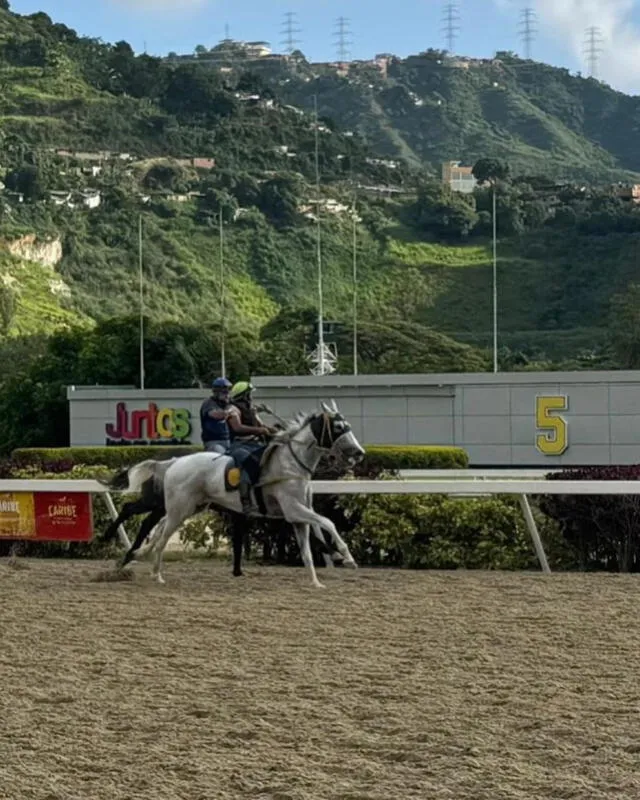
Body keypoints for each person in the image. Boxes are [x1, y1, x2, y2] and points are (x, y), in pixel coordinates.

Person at [227, 380, 276, 517]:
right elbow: (237, 427)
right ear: (243, 396)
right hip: (238, 445)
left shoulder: (251, 410)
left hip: (254, 444)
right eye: (249, 394)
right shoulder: (232, 410)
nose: (251, 397)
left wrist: (275, 430)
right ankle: (246, 502)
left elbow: (262, 426)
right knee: (249, 462)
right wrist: (259, 430)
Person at [199, 377, 233, 453]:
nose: (227, 394)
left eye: (228, 391)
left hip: (228, 440)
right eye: (225, 392)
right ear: (217, 391)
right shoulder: (208, 403)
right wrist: (229, 410)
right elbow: (217, 415)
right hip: (213, 442)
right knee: (221, 457)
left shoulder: (226, 404)